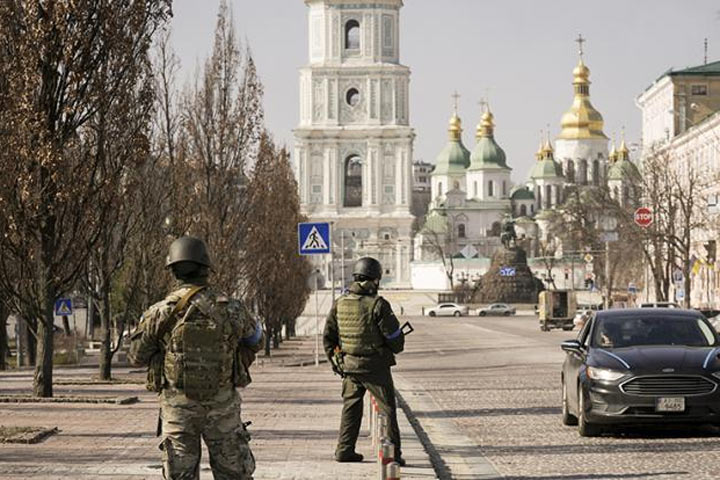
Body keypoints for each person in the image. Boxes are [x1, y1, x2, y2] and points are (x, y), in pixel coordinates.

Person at [129, 236, 263, 480]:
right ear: (206, 268)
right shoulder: (231, 308)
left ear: (173, 270)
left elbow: (137, 356)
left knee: (180, 476)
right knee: (234, 474)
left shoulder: (160, 312)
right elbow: (256, 340)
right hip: (223, 409)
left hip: (178, 411)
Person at [323, 257, 406, 465]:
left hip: (349, 366)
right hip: (375, 367)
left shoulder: (339, 302)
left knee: (350, 407)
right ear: (375, 280)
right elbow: (396, 341)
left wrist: (337, 363)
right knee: (387, 409)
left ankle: (344, 450)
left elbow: (328, 337)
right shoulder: (378, 304)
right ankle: (393, 455)